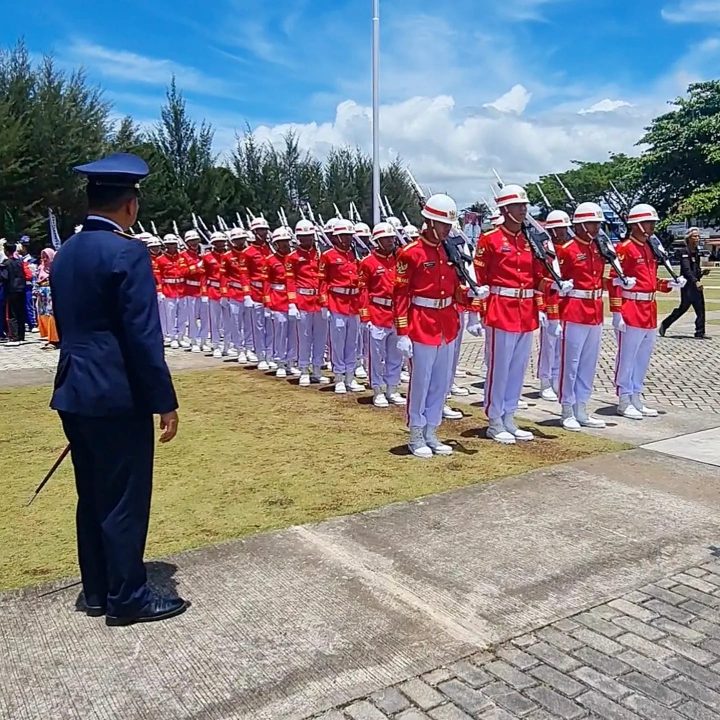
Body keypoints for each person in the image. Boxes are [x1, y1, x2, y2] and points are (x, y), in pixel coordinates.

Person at [50, 152, 187, 626]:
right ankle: (128, 597)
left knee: (91, 493)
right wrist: (164, 400)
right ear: (129, 205)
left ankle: (97, 589)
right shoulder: (127, 252)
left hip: (75, 388)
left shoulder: (66, 252)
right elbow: (142, 337)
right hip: (116, 392)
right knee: (125, 496)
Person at [394, 193, 480, 458]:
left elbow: (455, 290)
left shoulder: (449, 250)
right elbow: (400, 294)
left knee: (441, 383)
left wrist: (473, 295)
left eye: (449, 225)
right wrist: (402, 331)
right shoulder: (410, 253)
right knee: (421, 382)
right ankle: (416, 433)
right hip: (421, 323)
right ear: (429, 222)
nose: (447, 229)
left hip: (447, 323)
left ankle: (432, 430)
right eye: (443, 224)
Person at [474, 184, 551, 444]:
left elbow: (538, 277)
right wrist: (479, 313)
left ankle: (510, 415)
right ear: (505, 210)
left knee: (517, 369)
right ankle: (494, 419)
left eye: (525, 206)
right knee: (500, 368)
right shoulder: (490, 239)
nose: (523, 210)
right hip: (501, 310)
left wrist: (548, 292)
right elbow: (479, 279)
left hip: (525, 310)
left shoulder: (530, 239)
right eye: (519, 206)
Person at [555, 202, 634, 431]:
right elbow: (556, 284)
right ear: (579, 225)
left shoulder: (599, 248)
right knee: (570, 363)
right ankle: (567, 408)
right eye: (591, 223)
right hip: (574, 309)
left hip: (595, 309)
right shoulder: (567, 249)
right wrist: (554, 316)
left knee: (588, 364)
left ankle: (582, 407)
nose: (596, 227)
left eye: (598, 223)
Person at [609, 204, 685, 419]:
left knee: (642, 358)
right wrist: (616, 311)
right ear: (636, 225)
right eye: (649, 222)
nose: (652, 227)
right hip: (631, 308)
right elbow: (613, 281)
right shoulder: (624, 249)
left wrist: (669, 283)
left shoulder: (649, 248)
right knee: (627, 357)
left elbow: (649, 281)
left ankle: (636, 395)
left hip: (649, 309)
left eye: (653, 223)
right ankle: (624, 398)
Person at [359, 222, 405, 408]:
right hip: (377, 313)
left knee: (395, 355)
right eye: (385, 239)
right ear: (377, 241)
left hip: (396, 313)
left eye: (392, 238)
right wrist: (365, 317)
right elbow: (363, 291)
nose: (390, 241)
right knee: (376, 355)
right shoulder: (368, 262)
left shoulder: (399, 260)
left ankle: (392, 388)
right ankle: (377, 389)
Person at [319, 219, 365, 394]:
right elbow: (322, 280)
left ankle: (350, 376)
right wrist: (324, 304)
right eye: (343, 236)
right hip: (337, 303)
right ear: (336, 237)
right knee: (337, 343)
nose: (346, 239)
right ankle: (338, 376)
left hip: (353, 304)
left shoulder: (356, 255)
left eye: (349, 235)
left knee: (352, 342)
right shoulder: (328, 256)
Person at [288, 219, 329, 386]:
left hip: (318, 301)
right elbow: (290, 280)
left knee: (320, 338)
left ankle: (317, 369)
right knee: (304, 338)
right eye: (304, 237)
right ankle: (304, 369)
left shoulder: (320, 255)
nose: (307, 240)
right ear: (298, 238)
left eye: (310, 236)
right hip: (302, 300)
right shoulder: (293, 257)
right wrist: (292, 303)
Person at [659, 227, 709, 339]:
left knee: (700, 308)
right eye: (695, 236)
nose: (697, 238)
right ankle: (665, 324)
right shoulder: (684, 252)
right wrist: (695, 281)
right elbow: (686, 270)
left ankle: (700, 332)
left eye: (698, 236)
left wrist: (701, 273)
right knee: (683, 308)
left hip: (696, 284)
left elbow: (695, 269)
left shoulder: (696, 252)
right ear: (689, 238)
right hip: (688, 286)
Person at [0, 242, 30, 345]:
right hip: (21, 289)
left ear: (6, 251)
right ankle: (21, 335)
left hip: (11, 290)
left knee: (12, 313)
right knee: (20, 312)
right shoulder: (19, 262)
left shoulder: (6, 263)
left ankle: (14, 336)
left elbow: (4, 277)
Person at [34, 248, 60, 349]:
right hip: (42, 295)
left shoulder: (55, 268)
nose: (44, 259)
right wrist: (36, 291)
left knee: (52, 315)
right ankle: (49, 337)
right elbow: (36, 280)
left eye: (46, 257)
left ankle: (54, 339)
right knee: (43, 314)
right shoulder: (41, 268)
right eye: (43, 256)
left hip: (51, 294)